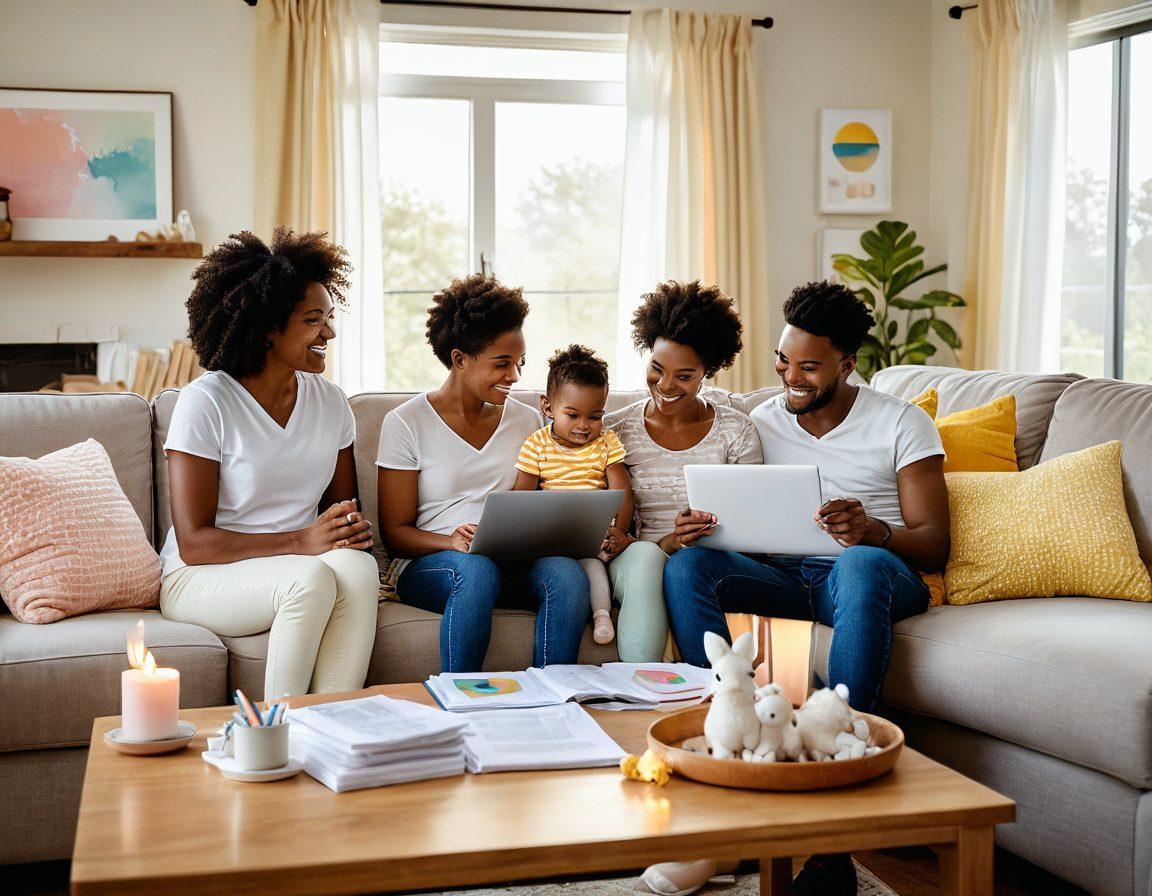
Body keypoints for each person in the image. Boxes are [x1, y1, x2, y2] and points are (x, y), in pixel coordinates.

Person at [660, 280, 950, 896]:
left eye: (809, 366)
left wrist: (872, 530)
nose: (790, 376)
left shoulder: (903, 422)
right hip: (788, 577)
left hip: (874, 574)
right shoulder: (761, 420)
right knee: (688, 567)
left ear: (848, 364)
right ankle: (723, 755)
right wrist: (697, 529)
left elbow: (933, 543)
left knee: (859, 564)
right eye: (783, 361)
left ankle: (833, 821)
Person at [160, 228, 380, 702]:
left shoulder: (332, 403)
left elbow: (341, 512)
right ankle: (273, 731)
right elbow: (195, 544)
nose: (330, 333)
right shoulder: (206, 403)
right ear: (266, 327)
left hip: (299, 565)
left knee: (357, 570)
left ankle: (332, 725)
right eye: (313, 320)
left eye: (331, 318)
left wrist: (348, 532)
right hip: (199, 578)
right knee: (310, 579)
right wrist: (303, 541)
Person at [377, 274, 590, 672]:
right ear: (460, 359)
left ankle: (556, 699)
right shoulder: (405, 422)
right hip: (436, 565)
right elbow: (395, 534)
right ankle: (462, 697)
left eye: (519, 363)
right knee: (475, 570)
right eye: (502, 364)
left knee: (566, 574)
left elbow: (541, 501)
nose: (514, 376)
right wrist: (451, 541)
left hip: (508, 561)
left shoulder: (526, 419)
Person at [602, 280, 763, 664]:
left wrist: (692, 539)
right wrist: (663, 543)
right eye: (656, 369)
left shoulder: (736, 431)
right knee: (653, 562)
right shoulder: (615, 430)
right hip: (640, 560)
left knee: (688, 567)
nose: (666, 385)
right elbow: (604, 522)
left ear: (708, 370)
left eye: (684, 376)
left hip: (712, 567)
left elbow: (756, 532)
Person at [513, 344, 634, 644]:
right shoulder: (536, 444)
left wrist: (619, 532)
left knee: (593, 567)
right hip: (549, 542)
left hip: (594, 539)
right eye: (572, 415)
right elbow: (519, 500)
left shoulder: (606, 442)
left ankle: (602, 615)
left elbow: (623, 493)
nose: (584, 426)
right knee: (568, 571)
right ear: (547, 406)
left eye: (594, 416)